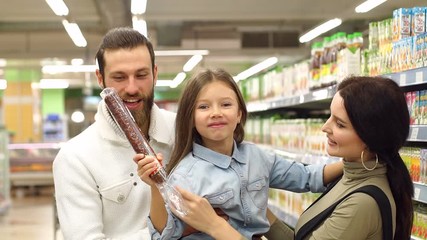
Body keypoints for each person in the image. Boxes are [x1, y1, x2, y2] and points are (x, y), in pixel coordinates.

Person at [164, 75, 414, 240]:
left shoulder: (362, 203)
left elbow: (305, 176)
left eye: (339, 124)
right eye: (204, 107)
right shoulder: (352, 174)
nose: (325, 127)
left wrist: (216, 226)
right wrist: (255, 207)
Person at [135, 68, 344, 239]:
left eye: (225, 104)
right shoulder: (186, 175)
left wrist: (354, 163)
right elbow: (167, 233)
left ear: (239, 114)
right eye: (204, 106)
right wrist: (156, 186)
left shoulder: (257, 157)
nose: (216, 112)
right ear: (191, 119)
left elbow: (307, 177)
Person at [53, 27, 176, 239]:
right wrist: (171, 233)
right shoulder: (75, 157)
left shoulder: (182, 130)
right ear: (100, 78)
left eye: (141, 75)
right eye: (119, 77)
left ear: (155, 74)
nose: (131, 88)